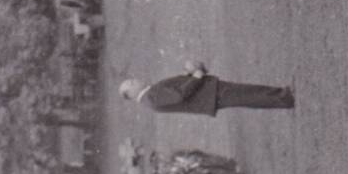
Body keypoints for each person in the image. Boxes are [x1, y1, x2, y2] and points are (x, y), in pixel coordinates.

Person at [120, 65, 295, 115]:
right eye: (131, 83)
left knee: (248, 92)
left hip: (208, 94)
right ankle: (284, 98)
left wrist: (186, 75)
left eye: (132, 80)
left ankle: (282, 95)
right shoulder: (150, 98)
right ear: (131, 94)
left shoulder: (150, 97)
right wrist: (196, 77)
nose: (135, 80)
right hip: (208, 95)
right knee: (248, 95)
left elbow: (175, 91)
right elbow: (179, 96)